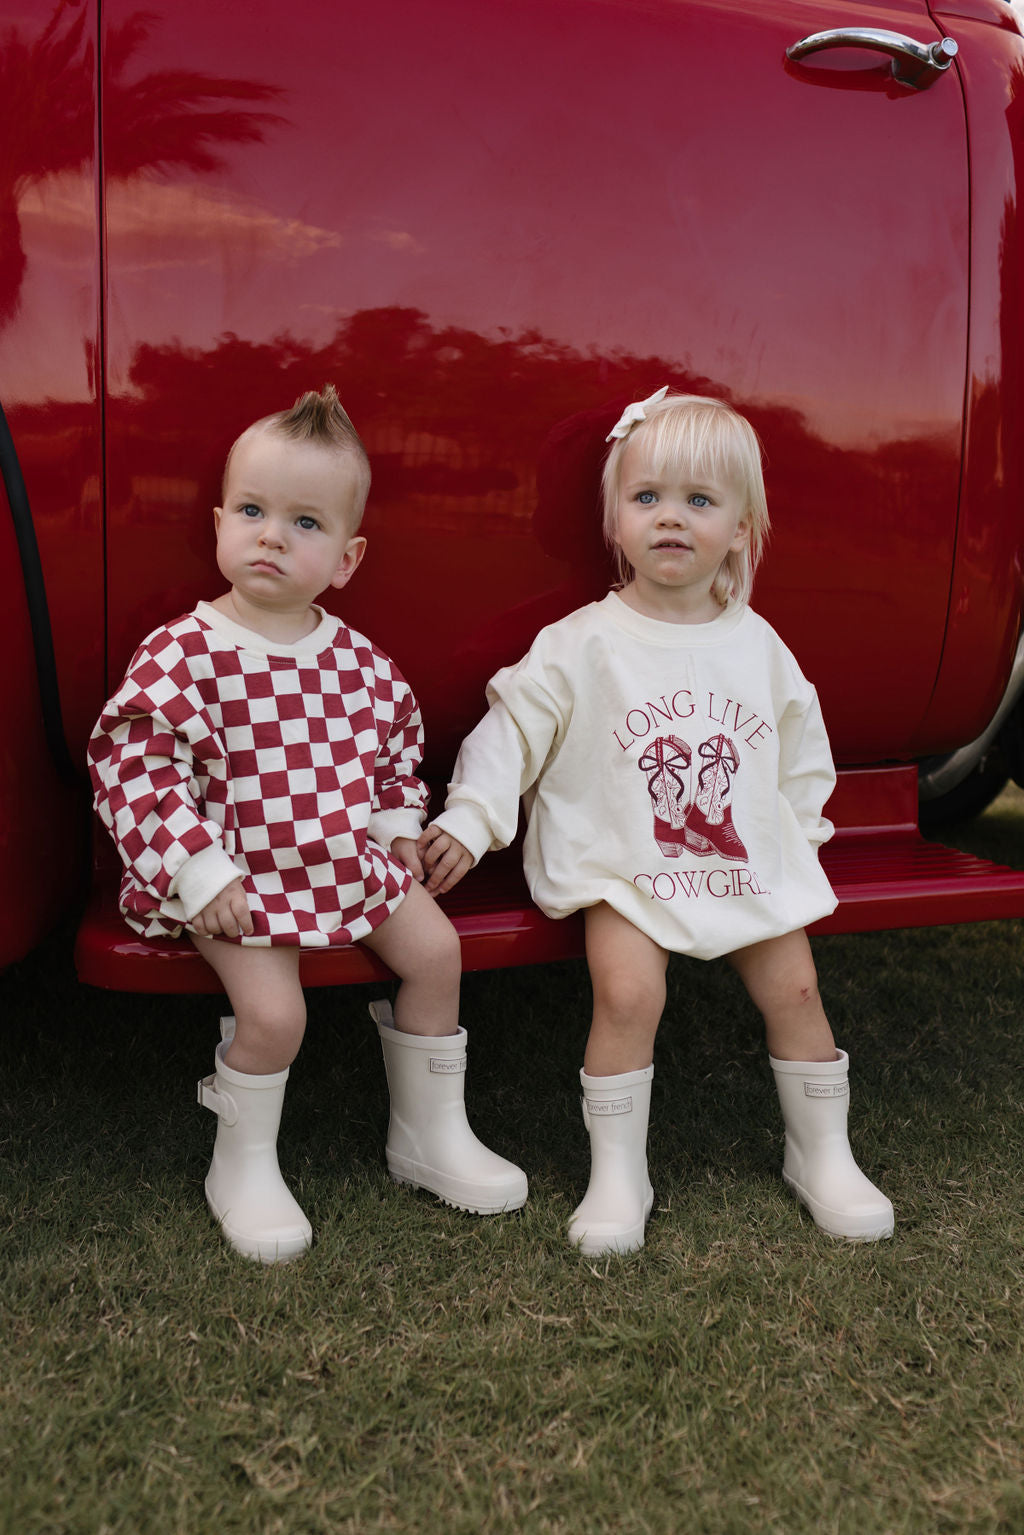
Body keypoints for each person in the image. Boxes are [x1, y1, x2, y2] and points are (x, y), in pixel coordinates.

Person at [418, 386, 893, 1255]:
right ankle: (618, 1171)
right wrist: (471, 815)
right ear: (615, 522)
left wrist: (800, 843)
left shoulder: (759, 644)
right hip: (626, 863)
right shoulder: (584, 642)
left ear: (742, 529)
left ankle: (821, 1153)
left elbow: (801, 751)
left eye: (699, 501)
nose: (670, 519)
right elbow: (511, 727)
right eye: (647, 498)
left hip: (743, 861)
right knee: (629, 992)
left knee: (796, 988)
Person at [88, 386, 526, 1262]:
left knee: (438, 953)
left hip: (341, 859)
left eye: (304, 522)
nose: (272, 535)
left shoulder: (360, 663)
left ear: (347, 556)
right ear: (219, 522)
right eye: (250, 510)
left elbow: (396, 747)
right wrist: (197, 873)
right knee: (275, 1013)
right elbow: (132, 763)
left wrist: (398, 825)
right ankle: (241, 1163)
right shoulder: (186, 651)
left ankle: (428, 1135)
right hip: (233, 876)